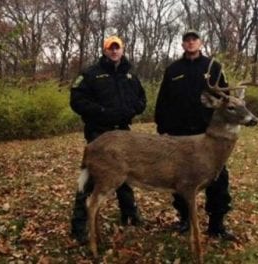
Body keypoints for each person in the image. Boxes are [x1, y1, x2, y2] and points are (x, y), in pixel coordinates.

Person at [155, 30, 236, 241]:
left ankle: (216, 224)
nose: (190, 43)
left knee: (217, 177)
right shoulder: (173, 70)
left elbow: (226, 99)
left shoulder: (213, 67)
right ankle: (185, 220)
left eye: (194, 40)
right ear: (182, 45)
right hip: (179, 135)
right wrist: (162, 127)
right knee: (180, 179)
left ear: (200, 43)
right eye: (187, 40)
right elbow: (163, 100)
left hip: (207, 134)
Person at [69, 35, 146, 244]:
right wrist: (101, 112)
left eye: (117, 48)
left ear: (122, 50)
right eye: (110, 48)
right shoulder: (91, 74)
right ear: (104, 50)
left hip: (123, 133)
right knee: (91, 179)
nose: (114, 51)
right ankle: (79, 226)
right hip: (99, 134)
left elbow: (142, 99)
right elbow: (76, 100)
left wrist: (131, 110)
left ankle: (130, 215)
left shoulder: (130, 74)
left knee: (125, 174)